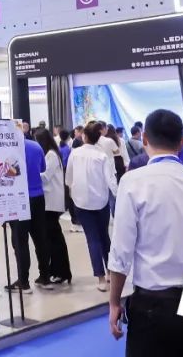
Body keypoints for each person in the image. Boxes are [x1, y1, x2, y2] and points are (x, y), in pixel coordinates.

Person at [107, 109, 183, 356]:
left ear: (145, 139)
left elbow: (121, 252)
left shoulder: (132, 182)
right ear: (182, 142)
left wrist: (114, 302)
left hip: (154, 304)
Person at [66, 122, 117, 291]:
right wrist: (118, 195)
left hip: (81, 202)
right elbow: (110, 180)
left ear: (84, 136)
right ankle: (110, 273)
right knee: (104, 237)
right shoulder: (102, 156)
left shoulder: (75, 153)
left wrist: (73, 191)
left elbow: (69, 177)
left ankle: (100, 279)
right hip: (101, 201)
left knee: (92, 239)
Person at [7, 128, 48, 293]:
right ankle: (45, 276)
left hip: (19, 198)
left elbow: (6, 174)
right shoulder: (36, 146)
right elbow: (42, 168)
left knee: (20, 241)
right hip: (38, 196)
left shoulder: (9, 151)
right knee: (40, 238)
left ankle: (23, 282)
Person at [34, 128, 72, 287]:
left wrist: (30, 173)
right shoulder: (51, 154)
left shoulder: (51, 155)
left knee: (54, 238)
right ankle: (56, 270)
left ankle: (61, 271)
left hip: (51, 202)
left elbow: (46, 177)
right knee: (52, 238)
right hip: (50, 202)